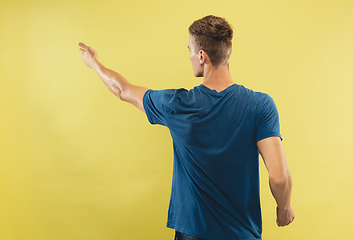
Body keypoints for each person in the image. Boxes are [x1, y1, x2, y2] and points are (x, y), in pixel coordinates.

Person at [79, 15, 294, 240]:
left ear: (202, 56)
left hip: (193, 234)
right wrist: (284, 207)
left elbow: (122, 90)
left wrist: (93, 62)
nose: (190, 56)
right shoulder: (261, 105)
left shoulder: (177, 104)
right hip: (242, 234)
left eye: (190, 50)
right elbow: (279, 177)